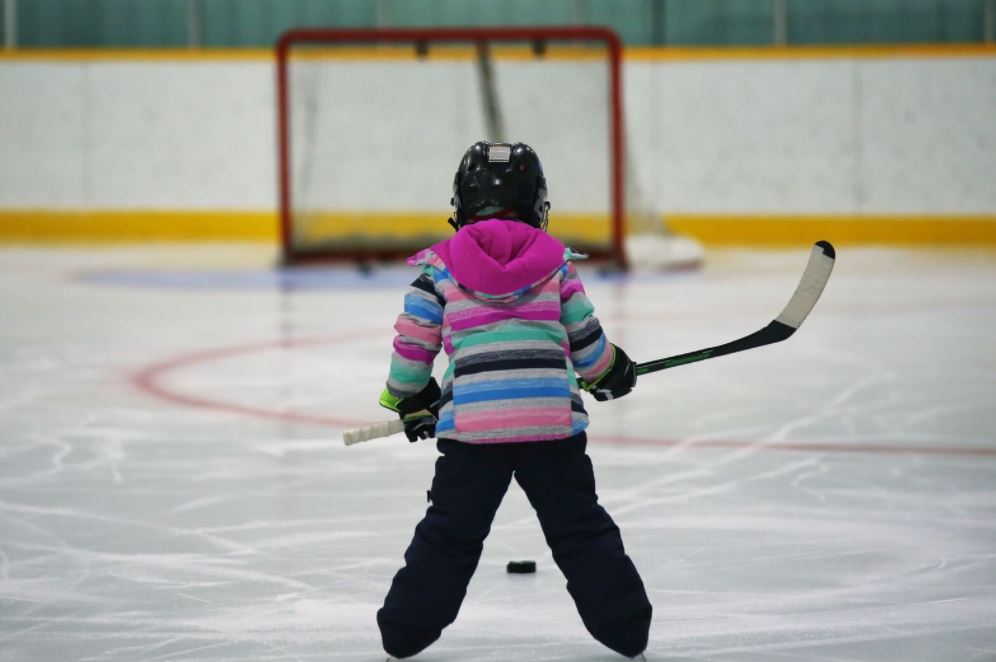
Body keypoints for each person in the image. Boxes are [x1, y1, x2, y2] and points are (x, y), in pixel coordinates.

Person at [376, 141, 652, 660]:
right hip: (552, 430)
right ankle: (626, 626)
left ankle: (405, 630)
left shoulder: (437, 271)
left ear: (461, 205)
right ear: (539, 205)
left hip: (473, 434)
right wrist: (613, 370)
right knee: (579, 529)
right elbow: (591, 355)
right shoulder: (558, 267)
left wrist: (408, 398)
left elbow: (411, 352)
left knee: (450, 535)